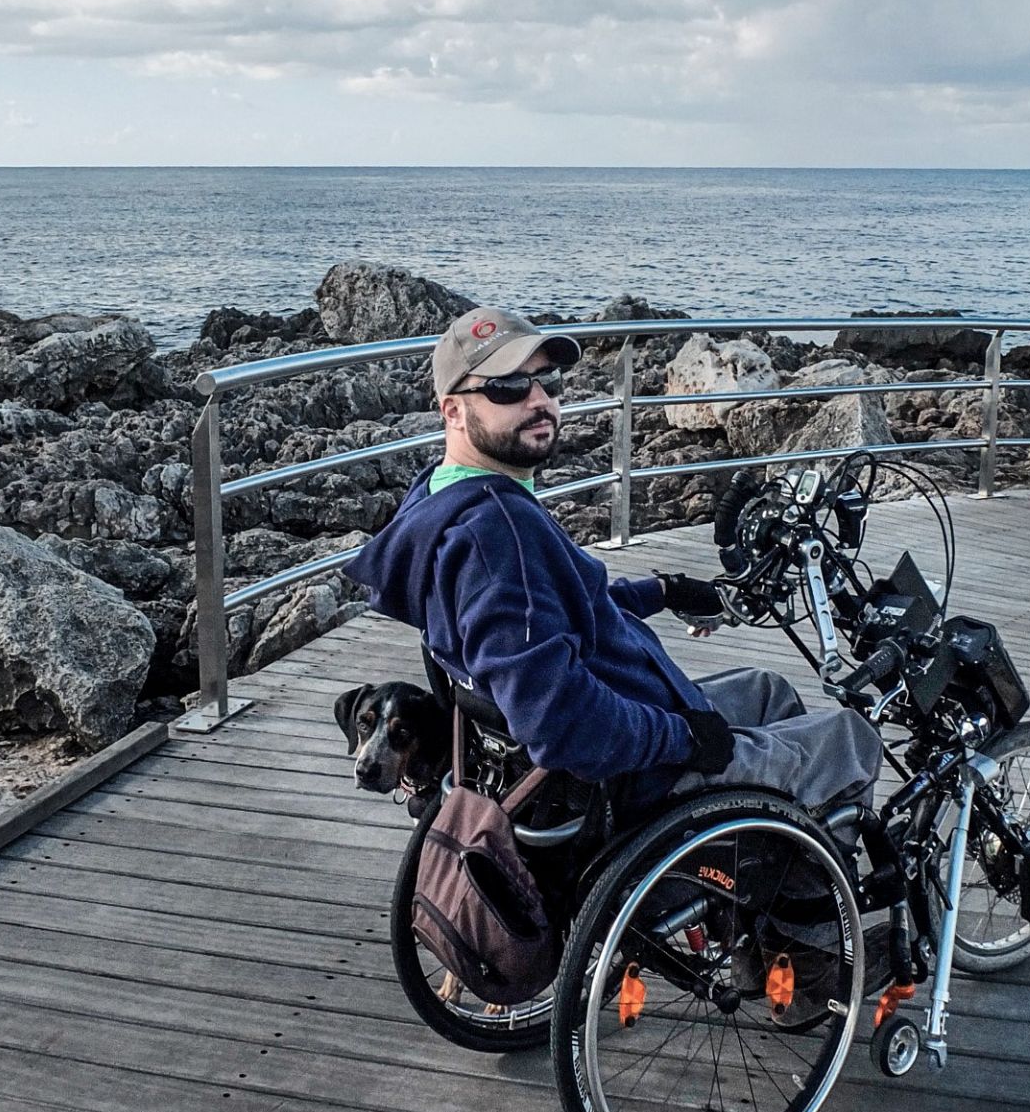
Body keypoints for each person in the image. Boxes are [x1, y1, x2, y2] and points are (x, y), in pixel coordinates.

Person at [345, 306, 882, 817]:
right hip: (633, 776)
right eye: (508, 387)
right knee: (851, 739)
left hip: (625, 716)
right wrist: (685, 740)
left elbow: (551, 614)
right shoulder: (497, 536)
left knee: (768, 692)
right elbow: (561, 724)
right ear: (453, 411)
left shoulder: (440, 502)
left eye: (547, 382)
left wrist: (663, 591)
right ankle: (809, 899)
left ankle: (779, 853)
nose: (539, 401)